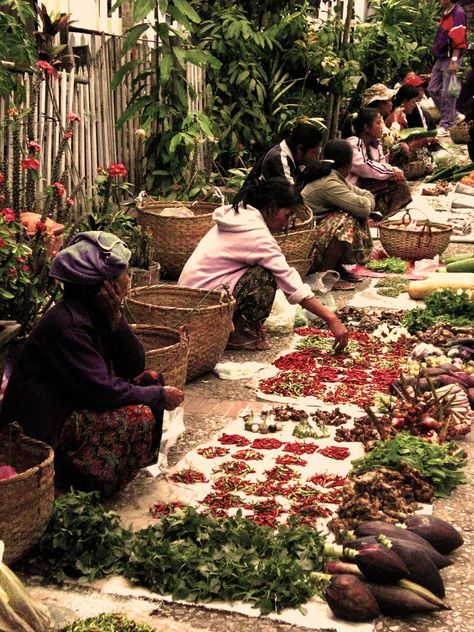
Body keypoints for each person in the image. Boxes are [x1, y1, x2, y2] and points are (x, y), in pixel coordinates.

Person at [0, 231, 184, 497]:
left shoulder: (97, 311)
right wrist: (158, 396)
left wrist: (116, 319)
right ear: (105, 284)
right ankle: (77, 483)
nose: (129, 279)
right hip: (43, 429)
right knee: (138, 414)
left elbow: (133, 366)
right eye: (126, 273)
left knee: (150, 378)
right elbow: (103, 391)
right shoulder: (69, 326)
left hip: (73, 404)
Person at [178, 179, 349, 352]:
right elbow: (291, 284)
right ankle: (234, 335)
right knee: (264, 276)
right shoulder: (256, 235)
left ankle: (238, 327)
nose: (286, 225)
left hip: (190, 299)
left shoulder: (239, 216)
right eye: (288, 215)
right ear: (271, 208)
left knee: (259, 273)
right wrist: (331, 319)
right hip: (203, 307)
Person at [301, 139, 374, 291]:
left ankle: (337, 268)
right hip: (305, 245)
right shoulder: (329, 182)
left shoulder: (335, 177)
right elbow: (364, 207)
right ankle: (322, 276)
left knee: (348, 214)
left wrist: (367, 200)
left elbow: (365, 195)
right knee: (345, 221)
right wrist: (368, 201)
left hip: (315, 236)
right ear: (348, 164)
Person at [347, 108, 412, 218]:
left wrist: (393, 174)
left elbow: (382, 164)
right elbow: (364, 167)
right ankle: (382, 216)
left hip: (368, 184)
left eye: (382, 122)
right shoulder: (353, 143)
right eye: (378, 123)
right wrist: (391, 171)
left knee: (399, 183)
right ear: (366, 127)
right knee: (397, 183)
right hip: (352, 187)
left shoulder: (376, 144)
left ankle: (389, 217)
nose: (382, 126)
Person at [243, 122, 323, 189]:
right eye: (315, 153)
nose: (317, 157)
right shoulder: (278, 159)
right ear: (300, 149)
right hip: (251, 205)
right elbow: (291, 196)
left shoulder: (297, 158)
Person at [429, 0, 467, 135]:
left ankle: (447, 124)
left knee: (448, 92)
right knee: (432, 89)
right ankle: (453, 115)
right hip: (442, 56)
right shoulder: (446, 12)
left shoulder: (458, 13)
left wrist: (454, 60)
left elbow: (459, 39)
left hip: (451, 57)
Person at [361, 83, 405, 148]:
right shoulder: (371, 117)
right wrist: (395, 119)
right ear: (381, 104)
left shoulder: (378, 116)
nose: (392, 104)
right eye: (390, 100)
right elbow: (389, 141)